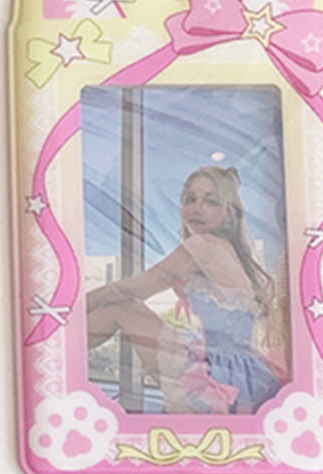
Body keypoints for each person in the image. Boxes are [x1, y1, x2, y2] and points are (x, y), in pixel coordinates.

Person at [87, 165, 286, 414]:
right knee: (123, 307)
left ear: (227, 211)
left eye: (210, 201)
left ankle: (58, 352)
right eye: (190, 199)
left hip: (218, 372)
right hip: (243, 373)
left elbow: (133, 288)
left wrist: (72, 304)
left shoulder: (203, 246)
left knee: (121, 307)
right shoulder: (236, 253)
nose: (197, 209)